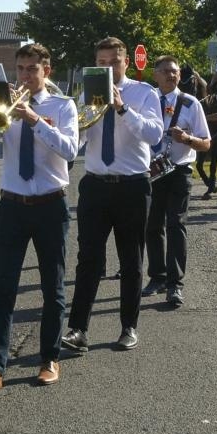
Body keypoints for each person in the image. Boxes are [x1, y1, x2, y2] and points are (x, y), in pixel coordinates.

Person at [0, 43, 78, 392]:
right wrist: (1, 116)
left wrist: (34, 120)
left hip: (50, 205)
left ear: (46, 70)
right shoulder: (4, 103)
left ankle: (49, 357)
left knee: (52, 287)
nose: (26, 75)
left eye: (32, 68)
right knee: (3, 288)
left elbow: (70, 150)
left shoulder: (63, 106)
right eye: (20, 68)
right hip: (12, 205)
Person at [61, 36, 164, 355]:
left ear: (125, 63)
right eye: (101, 63)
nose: (106, 68)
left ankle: (128, 326)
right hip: (94, 184)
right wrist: (69, 132)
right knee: (87, 259)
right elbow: (76, 143)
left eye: (113, 62)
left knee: (131, 259)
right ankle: (78, 329)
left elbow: (154, 134)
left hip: (132, 185)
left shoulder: (144, 93)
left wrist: (122, 108)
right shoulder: (86, 94)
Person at [143, 57, 211, 307]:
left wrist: (187, 139)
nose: (171, 76)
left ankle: (175, 284)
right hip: (150, 171)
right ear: (155, 75)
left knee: (175, 225)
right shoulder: (145, 101)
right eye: (166, 72)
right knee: (152, 226)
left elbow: (206, 142)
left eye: (175, 72)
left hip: (179, 171)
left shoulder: (190, 103)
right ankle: (157, 277)